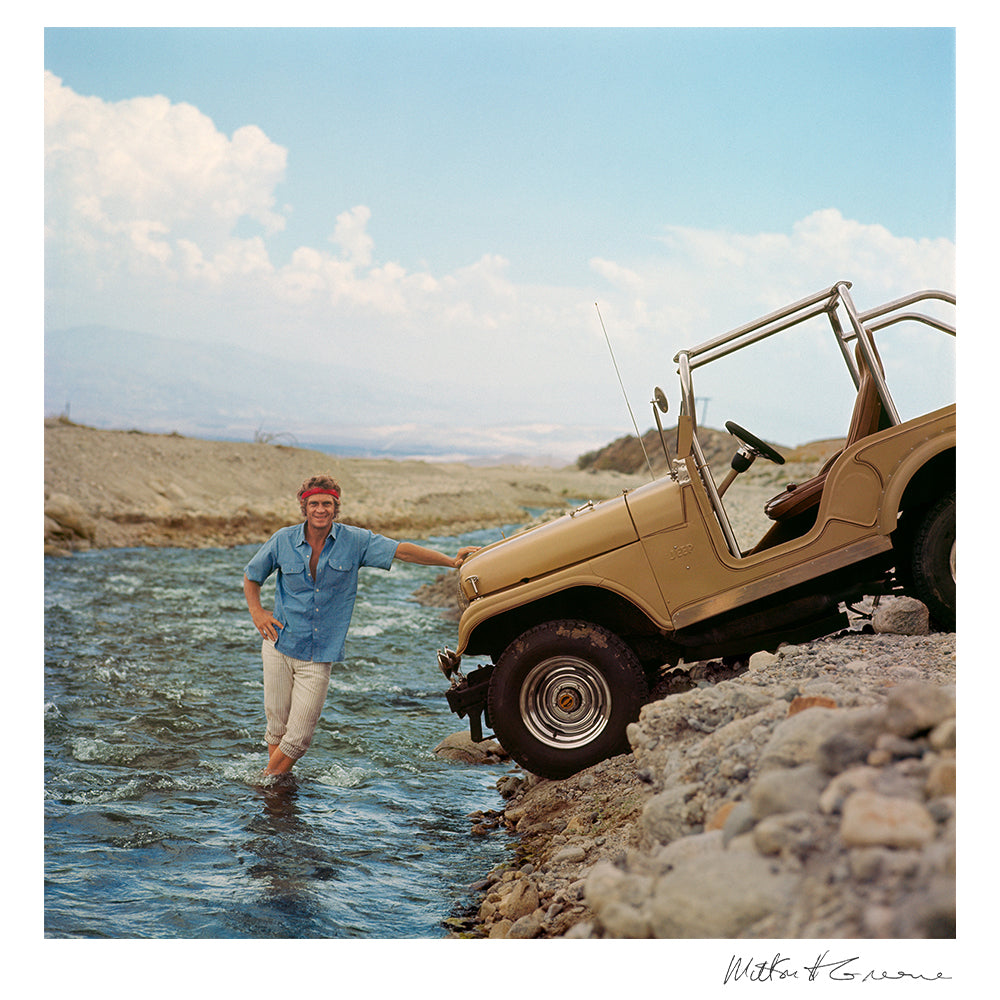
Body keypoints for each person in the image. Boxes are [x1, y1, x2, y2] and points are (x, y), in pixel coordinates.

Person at [243, 473, 478, 777]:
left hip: (320, 654)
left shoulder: (355, 541)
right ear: (304, 506)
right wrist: (257, 612)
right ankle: (276, 796)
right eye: (313, 503)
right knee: (276, 730)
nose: (320, 509)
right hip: (278, 644)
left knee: (298, 739)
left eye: (327, 503)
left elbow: (401, 550)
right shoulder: (283, 539)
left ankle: (262, 784)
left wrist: (451, 561)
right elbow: (252, 575)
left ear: (335, 506)